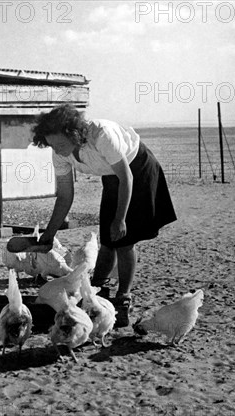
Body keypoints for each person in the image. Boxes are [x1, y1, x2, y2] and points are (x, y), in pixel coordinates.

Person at [32, 104, 177, 327]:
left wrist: (120, 219)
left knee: (124, 240)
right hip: (111, 175)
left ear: (73, 133)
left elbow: (126, 177)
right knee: (107, 240)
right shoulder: (59, 153)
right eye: (52, 145)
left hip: (137, 169)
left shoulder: (101, 135)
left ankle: (123, 297)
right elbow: (64, 197)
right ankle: (96, 287)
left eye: (60, 144)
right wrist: (49, 235)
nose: (57, 149)